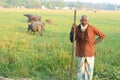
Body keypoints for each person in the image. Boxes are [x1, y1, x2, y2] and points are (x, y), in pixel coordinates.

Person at [70, 15, 105, 80]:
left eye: (85, 20)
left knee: (89, 70)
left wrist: (94, 43)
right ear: (80, 21)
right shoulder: (77, 28)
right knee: (80, 70)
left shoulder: (92, 28)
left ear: (88, 21)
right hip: (81, 53)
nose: (84, 22)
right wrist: (72, 30)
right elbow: (72, 40)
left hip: (90, 53)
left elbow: (102, 35)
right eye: (82, 20)